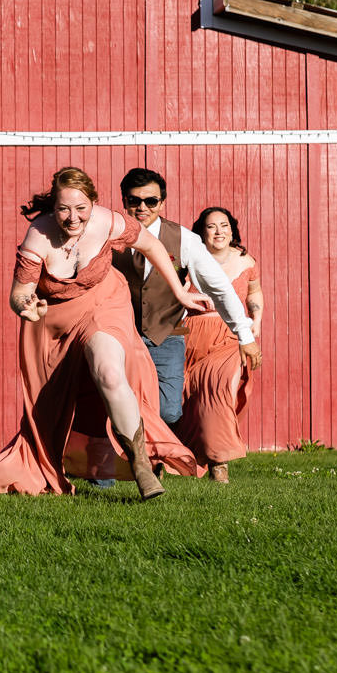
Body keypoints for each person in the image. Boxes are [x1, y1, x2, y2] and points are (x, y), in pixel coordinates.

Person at [0, 168, 221, 498]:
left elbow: (151, 245)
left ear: (93, 204)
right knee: (49, 409)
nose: (73, 217)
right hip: (55, 322)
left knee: (109, 372)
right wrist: (27, 306)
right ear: (53, 207)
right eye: (64, 209)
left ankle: (140, 465)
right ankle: (49, 464)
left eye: (81, 208)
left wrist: (180, 294)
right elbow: (19, 293)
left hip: (104, 303)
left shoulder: (108, 222)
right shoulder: (38, 235)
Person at [81, 167, 260, 489]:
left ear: (162, 203)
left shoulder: (185, 241)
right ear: (124, 201)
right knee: (107, 398)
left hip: (167, 336)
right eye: (135, 201)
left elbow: (219, 288)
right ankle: (105, 477)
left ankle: (154, 455)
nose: (142, 208)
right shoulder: (107, 235)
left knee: (167, 410)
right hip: (118, 333)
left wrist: (245, 335)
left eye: (151, 200)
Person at [175, 205, 266, 483]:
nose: (219, 231)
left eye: (224, 225)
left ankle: (219, 463)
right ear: (202, 232)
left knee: (219, 385)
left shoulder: (246, 261)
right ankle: (173, 457)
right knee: (186, 400)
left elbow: (254, 293)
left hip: (230, 335)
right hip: (193, 335)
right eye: (212, 226)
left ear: (232, 229)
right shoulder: (188, 261)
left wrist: (256, 322)